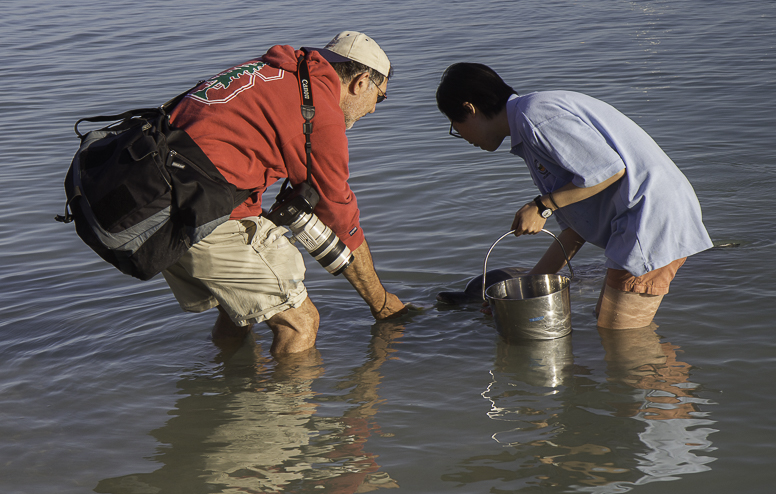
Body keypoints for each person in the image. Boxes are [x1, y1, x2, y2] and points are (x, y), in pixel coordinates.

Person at [162, 31, 407, 355]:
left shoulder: (273, 71)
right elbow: (341, 218)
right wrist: (383, 304)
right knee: (301, 322)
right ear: (361, 82)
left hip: (159, 205)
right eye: (380, 97)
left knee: (239, 312)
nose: (374, 110)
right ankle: (286, 407)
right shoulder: (319, 109)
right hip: (199, 212)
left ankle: (227, 392)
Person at [436, 63, 713, 329]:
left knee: (623, 340)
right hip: (638, 222)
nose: (460, 135)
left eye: (454, 126)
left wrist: (542, 206)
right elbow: (575, 232)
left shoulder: (536, 116)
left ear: (469, 109)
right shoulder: (527, 131)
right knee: (608, 325)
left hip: (648, 218)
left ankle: (669, 378)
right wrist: (525, 290)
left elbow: (609, 171)